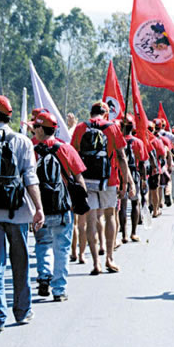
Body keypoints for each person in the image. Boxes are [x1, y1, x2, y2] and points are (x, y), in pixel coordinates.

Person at [0, 94, 45, 333]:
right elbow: (30, 177)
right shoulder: (22, 141)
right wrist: (38, 208)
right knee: (21, 263)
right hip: (17, 211)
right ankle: (22, 311)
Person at [72, 101, 135, 275]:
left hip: (86, 180)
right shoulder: (112, 127)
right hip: (109, 179)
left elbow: (73, 155)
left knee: (91, 219)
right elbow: (122, 157)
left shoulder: (80, 128)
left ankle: (95, 263)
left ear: (90, 113)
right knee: (109, 215)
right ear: (106, 114)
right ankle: (109, 258)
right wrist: (126, 182)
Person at [32, 112, 86, 302]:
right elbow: (79, 177)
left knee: (42, 244)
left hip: (40, 210)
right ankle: (59, 289)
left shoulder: (32, 149)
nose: (33, 130)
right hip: (63, 209)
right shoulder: (66, 149)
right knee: (61, 249)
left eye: (35, 127)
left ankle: (44, 276)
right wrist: (80, 202)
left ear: (40, 128)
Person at [119, 115, 147, 243]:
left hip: (121, 174)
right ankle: (133, 233)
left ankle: (124, 234)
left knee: (123, 206)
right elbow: (142, 163)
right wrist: (143, 179)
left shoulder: (118, 141)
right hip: (134, 174)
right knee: (135, 203)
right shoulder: (138, 142)